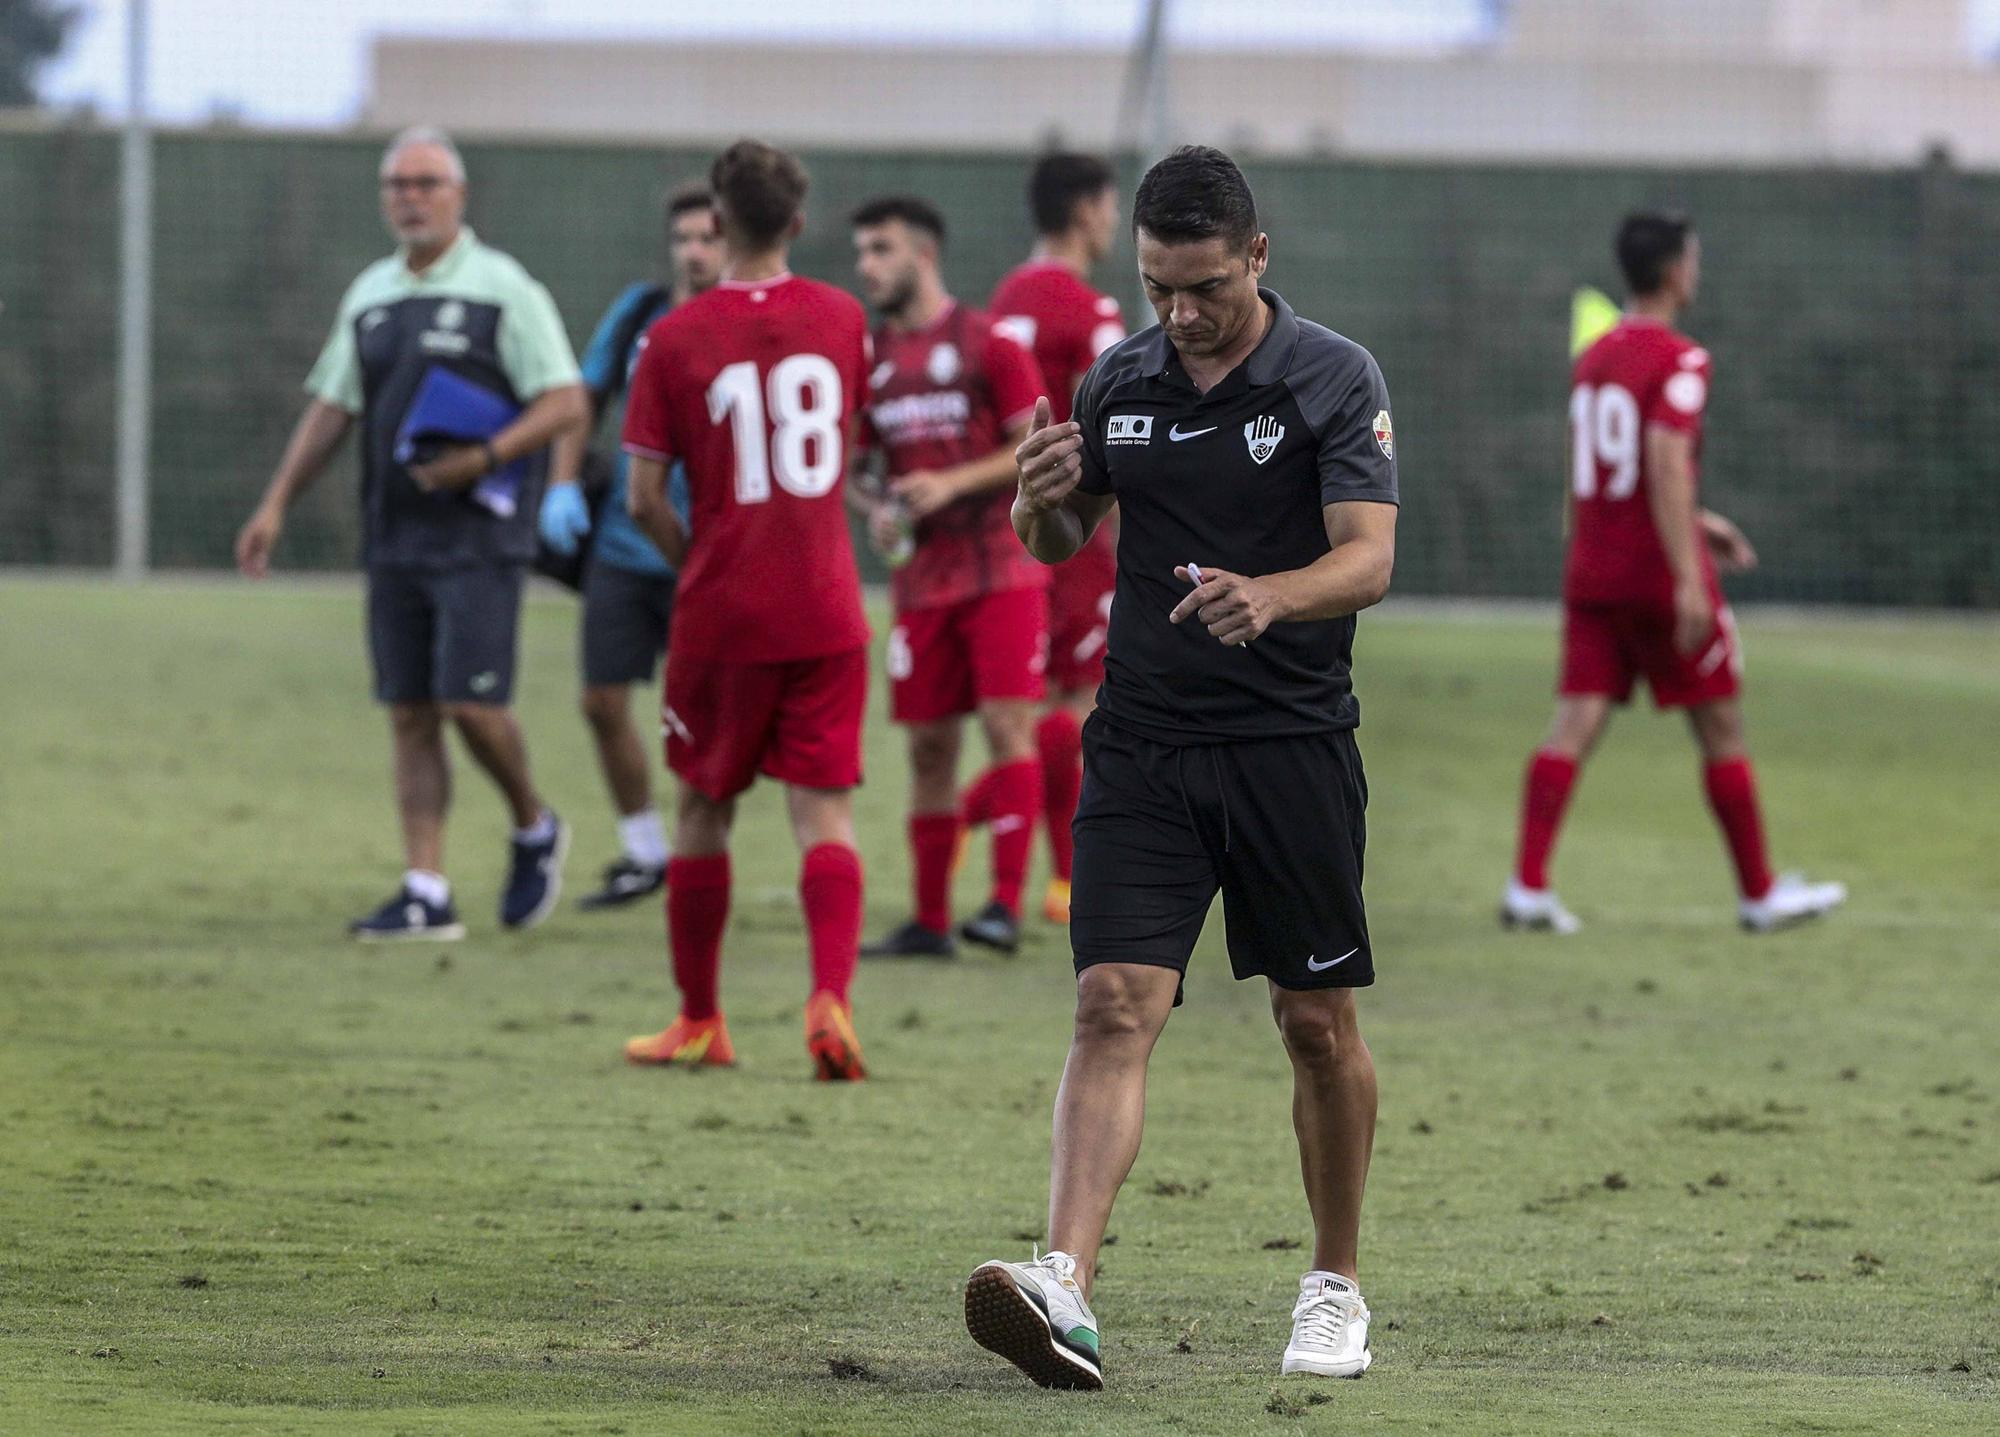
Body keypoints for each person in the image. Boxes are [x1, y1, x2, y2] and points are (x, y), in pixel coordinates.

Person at [964, 146, 1400, 1389]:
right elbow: (1056, 540)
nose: (1179, 311)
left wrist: (1272, 596)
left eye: (1202, 285)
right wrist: (1032, 500)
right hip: (1144, 745)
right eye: (1158, 284)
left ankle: (1332, 1286)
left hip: (1288, 753)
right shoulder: (1119, 377)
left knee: (1313, 1025)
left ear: (1254, 259)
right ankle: (1063, 1288)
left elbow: (1366, 560)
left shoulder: (1331, 377)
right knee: (1110, 1002)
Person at [234, 126, 586, 940]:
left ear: (458, 195)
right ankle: (426, 889)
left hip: (480, 539)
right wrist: (276, 501)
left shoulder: (506, 288)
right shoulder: (370, 294)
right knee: (409, 712)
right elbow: (334, 404)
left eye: (427, 182)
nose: (411, 197)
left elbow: (566, 400)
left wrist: (486, 457)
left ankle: (534, 823)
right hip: (395, 537)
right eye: (397, 184)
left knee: (471, 704)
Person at [1502, 212, 1847, 935]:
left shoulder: (1594, 355)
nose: (1698, 271)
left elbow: (1594, 466)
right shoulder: (1682, 359)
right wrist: (1690, 573)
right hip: (1656, 574)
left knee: (1575, 720)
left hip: (1594, 566)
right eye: (1693, 259)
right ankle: (1759, 893)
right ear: (1673, 272)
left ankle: (1527, 884)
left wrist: (1696, 517)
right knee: (1721, 724)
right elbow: (1661, 458)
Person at [618, 140, 873, 1081]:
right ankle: (830, 998)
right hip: (826, 605)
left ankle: (700, 1021)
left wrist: (699, 566)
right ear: (798, 225)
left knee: (701, 809)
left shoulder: (676, 338)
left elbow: (644, 497)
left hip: (723, 613)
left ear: (716, 223)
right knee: (825, 816)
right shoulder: (844, 317)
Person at [848, 196, 1050, 959]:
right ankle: (929, 921)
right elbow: (859, 472)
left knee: (1007, 728)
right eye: (863, 252)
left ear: (924, 254)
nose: (867, 266)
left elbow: (1032, 446)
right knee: (929, 747)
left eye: (880, 249)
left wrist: (953, 484)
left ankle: (1002, 905)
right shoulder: (869, 360)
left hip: (1001, 570)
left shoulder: (987, 342)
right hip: (921, 584)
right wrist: (877, 510)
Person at [539, 185, 724, 909]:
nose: (694, 251)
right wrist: (560, 485)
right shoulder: (642, 311)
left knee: (701, 716)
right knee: (600, 699)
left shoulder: (741, 321)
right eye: (683, 238)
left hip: (704, 549)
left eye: (708, 237)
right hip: (623, 542)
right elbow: (583, 397)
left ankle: (702, 850)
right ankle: (645, 848)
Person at [990, 152, 1128, 926]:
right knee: (1076, 703)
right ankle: (1065, 878)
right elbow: (1112, 419)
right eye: (1109, 207)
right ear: (1082, 211)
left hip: (1004, 525)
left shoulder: (1006, 294)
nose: (1112, 222)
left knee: (1026, 704)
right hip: (1070, 529)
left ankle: (1001, 823)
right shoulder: (1088, 307)